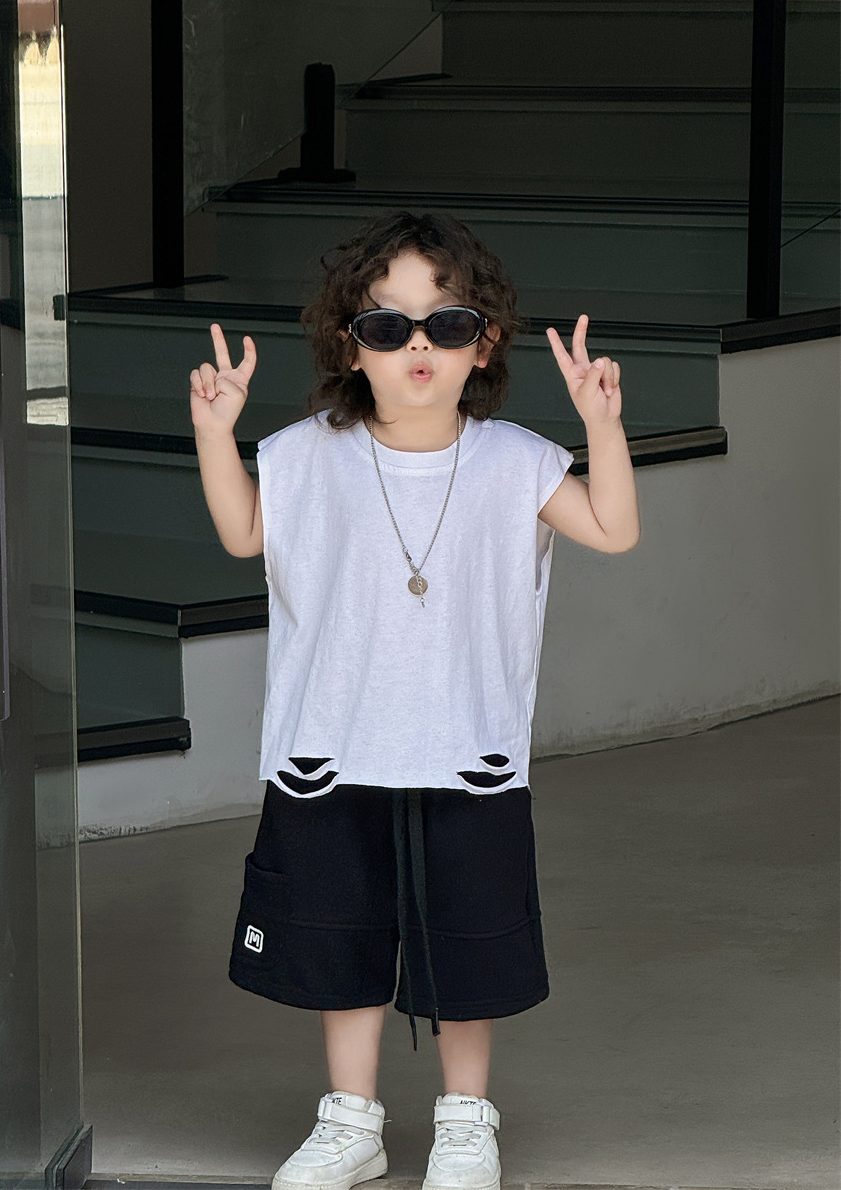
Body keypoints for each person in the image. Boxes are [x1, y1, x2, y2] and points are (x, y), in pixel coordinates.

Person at [190, 212, 640, 1190]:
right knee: (339, 937)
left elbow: (613, 527)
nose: (418, 346)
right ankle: (352, 1120)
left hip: (466, 749)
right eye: (388, 327)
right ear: (350, 345)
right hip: (330, 744)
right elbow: (243, 533)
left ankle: (465, 1122)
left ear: (486, 343)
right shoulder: (305, 453)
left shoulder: (518, 460)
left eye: (447, 323)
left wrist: (601, 425)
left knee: (465, 946)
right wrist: (215, 435)